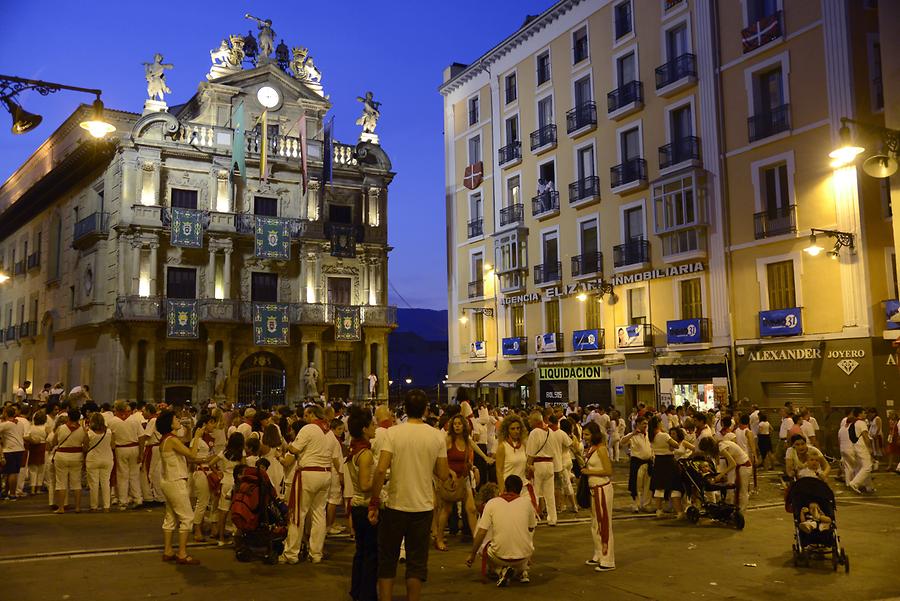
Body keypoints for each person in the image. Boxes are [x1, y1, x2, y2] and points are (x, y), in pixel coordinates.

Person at [367, 389, 451, 601]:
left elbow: (380, 470)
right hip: (422, 507)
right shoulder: (436, 436)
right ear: (425, 409)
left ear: (404, 408)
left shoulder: (393, 433)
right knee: (416, 562)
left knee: (387, 560)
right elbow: (442, 473)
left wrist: (374, 501)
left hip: (395, 504)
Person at [280, 404, 341, 565]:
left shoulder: (308, 430)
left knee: (298, 514)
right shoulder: (329, 433)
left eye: (306, 415)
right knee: (319, 515)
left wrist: (286, 446)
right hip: (325, 474)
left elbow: (294, 450)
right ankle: (316, 553)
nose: (304, 418)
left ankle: (291, 553)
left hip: (308, 473)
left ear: (313, 415)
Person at [466, 474, 536, 586]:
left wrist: (472, 554)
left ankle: (501, 571)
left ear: (505, 488)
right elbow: (531, 528)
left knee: (483, 547)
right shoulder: (527, 503)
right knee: (527, 535)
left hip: (499, 557)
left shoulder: (492, 503)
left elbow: (481, 532)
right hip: (524, 556)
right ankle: (522, 570)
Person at [157, 410, 207, 565]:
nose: (178, 420)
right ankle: (182, 553)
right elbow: (191, 454)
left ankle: (168, 550)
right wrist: (198, 437)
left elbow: (184, 441)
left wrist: (192, 430)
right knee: (187, 517)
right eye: (175, 419)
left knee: (171, 516)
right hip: (175, 481)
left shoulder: (167, 439)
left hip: (168, 481)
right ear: (170, 423)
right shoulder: (171, 440)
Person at [434, 415, 479, 551]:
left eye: (460, 424)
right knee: (446, 510)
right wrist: (450, 472)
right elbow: (438, 459)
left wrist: (474, 468)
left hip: (464, 479)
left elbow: (467, 459)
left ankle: (478, 539)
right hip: (450, 481)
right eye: (455, 424)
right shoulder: (448, 440)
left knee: (471, 509)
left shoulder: (466, 440)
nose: (457, 426)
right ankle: (439, 538)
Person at [347, 406, 378, 601]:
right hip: (365, 507)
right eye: (372, 424)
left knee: (361, 552)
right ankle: (367, 594)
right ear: (365, 429)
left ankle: (357, 590)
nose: (375, 427)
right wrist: (384, 478)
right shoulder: (365, 454)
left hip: (357, 506)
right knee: (371, 554)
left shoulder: (354, 449)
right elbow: (366, 484)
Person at [581, 422, 615, 572]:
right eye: (584, 433)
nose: (584, 436)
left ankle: (608, 560)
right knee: (595, 524)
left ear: (594, 434)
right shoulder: (591, 449)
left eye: (587, 434)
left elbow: (608, 470)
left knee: (604, 524)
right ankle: (598, 553)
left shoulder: (601, 449)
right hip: (593, 489)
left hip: (602, 489)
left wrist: (588, 472)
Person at [525, 411, 560, 526]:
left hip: (538, 465)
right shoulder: (551, 431)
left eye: (530, 420)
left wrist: (528, 468)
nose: (529, 422)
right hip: (550, 464)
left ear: (535, 421)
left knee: (534, 493)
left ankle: (533, 519)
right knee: (549, 494)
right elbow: (555, 451)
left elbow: (530, 453)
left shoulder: (534, 432)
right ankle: (552, 518)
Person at [647, 415, 685, 519]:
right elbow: (676, 445)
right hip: (669, 461)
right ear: (658, 424)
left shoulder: (651, 435)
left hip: (658, 462)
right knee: (675, 486)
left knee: (659, 487)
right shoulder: (663, 435)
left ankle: (659, 511)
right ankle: (679, 512)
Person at [108, 401, 144, 510]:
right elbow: (141, 437)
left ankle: (123, 501)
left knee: (122, 475)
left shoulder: (112, 421)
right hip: (134, 447)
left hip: (121, 449)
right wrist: (141, 453)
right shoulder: (134, 420)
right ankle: (138, 498)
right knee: (134, 474)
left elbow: (110, 439)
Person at [50, 408, 86, 513]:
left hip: (62, 456)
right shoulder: (82, 429)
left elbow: (54, 442)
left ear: (69, 417)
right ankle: (78, 507)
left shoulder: (61, 428)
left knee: (61, 483)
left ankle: (61, 508)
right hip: (77, 456)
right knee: (76, 483)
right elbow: (86, 444)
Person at [190, 415, 218, 542]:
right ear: (204, 424)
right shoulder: (196, 441)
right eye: (212, 423)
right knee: (202, 502)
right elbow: (191, 458)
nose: (214, 426)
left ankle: (202, 525)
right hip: (201, 471)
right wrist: (205, 459)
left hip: (208, 471)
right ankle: (196, 529)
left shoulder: (208, 440)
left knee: (209, 501)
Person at [620, 416, 652, 512]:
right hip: (637, 462)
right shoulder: (632, 435)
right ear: (637, 424)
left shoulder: (649, 434)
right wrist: (633, 433)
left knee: (648, 485)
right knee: (637, 485)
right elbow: (622, 442)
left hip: (648, 462)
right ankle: (636, 504)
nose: (645, 425)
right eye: (643, 423)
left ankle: (646, 504)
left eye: (646, 423)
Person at [85, 412, 115, 511]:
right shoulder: (109, 432)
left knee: (93, 484)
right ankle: (106, 506)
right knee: (106, 483)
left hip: (92, 459)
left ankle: (94, 506)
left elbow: (85, 447)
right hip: (107, 459)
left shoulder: (89, 432)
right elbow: (113, 445)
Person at [0, 405, 27, 499]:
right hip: (20, 449)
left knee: (11, 472)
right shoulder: (19, 423)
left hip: (10, 449)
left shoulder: (6, 424)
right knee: (12, 472)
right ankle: (7, 492)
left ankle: (12, 494)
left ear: (6, 413)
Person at [848, 407, 875, 494]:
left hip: (856, 446)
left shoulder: (855, 423)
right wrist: (870, 448)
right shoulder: (862, 423)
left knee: (863, 466)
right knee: (868, 467)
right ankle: (854, 483)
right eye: (864, 413)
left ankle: (869, 487)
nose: (865, 414)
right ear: (859, 414)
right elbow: (865, 436)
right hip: (862, 446)